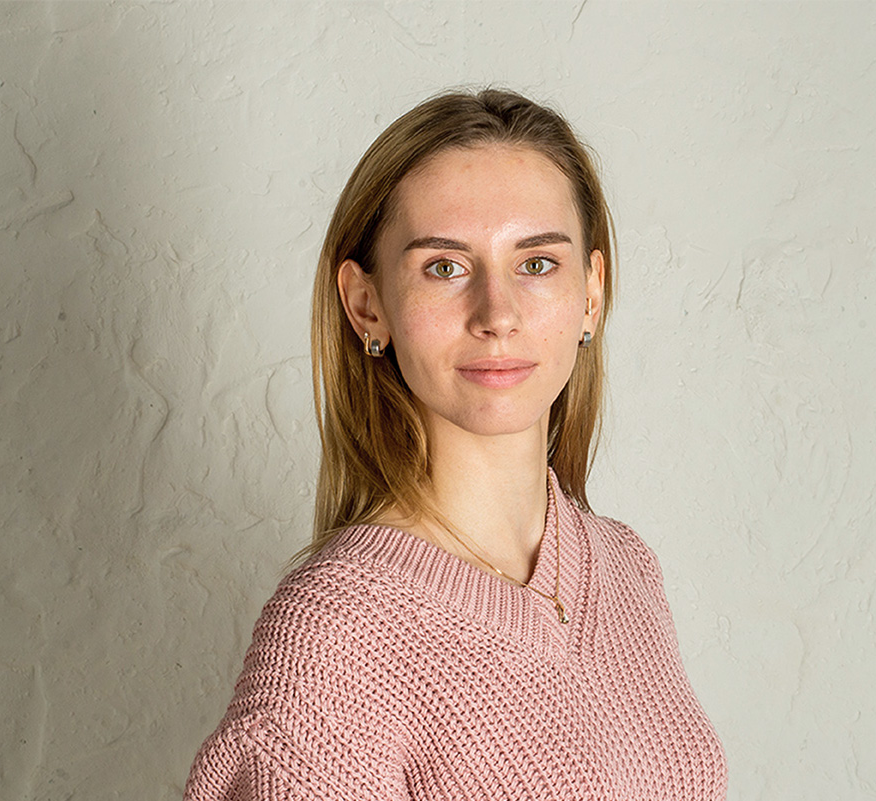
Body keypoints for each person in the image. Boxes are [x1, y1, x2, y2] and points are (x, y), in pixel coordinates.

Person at [184, 88, 727, 800]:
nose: (497, 314)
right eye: (445, 266)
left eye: (537, 263)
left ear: (591, 294)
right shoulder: (336, 636)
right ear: (367, 305)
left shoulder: (626, 569)